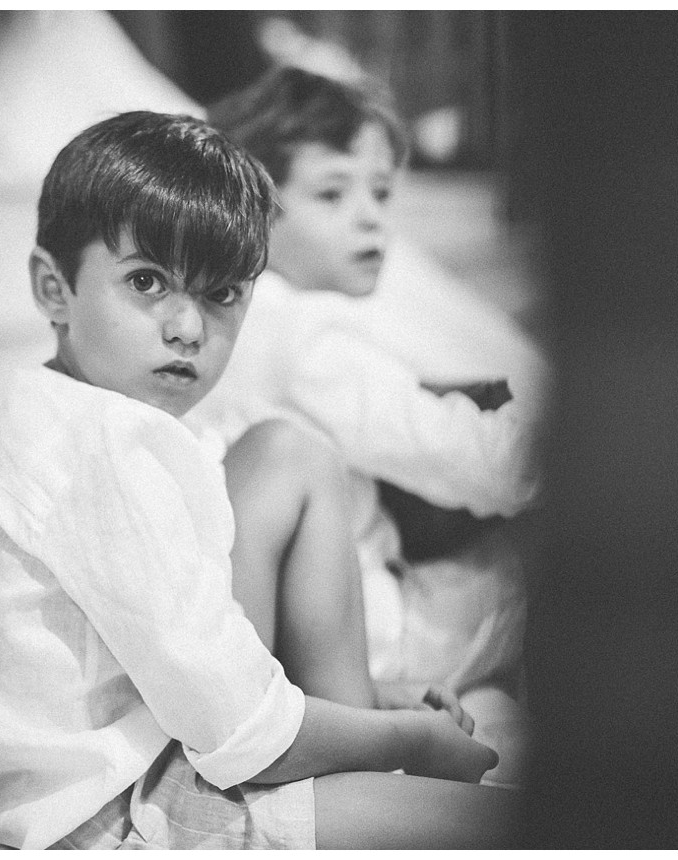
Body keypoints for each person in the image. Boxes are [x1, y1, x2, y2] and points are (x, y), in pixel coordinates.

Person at [0, 111, 519, 850]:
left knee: (290, 450)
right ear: (53, 289)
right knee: (516, 826)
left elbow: (210, 646)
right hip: (123, 817)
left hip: (151, 760)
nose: (188, 327)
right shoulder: (95, 449)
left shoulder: (87, 416)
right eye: (147, 281)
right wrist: (409, 742)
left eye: (221, 294)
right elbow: (241, 728)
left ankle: (359, 743)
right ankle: (367, 759)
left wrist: (386, 715)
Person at [184, 66, 545, 778]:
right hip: (364, 640)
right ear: (252, 204)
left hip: (291, 636)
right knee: (533, 567)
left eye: (381, 192)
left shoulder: (233, 323)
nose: (371, 215)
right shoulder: (305, 333)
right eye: (332, 192)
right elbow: (467, 460)